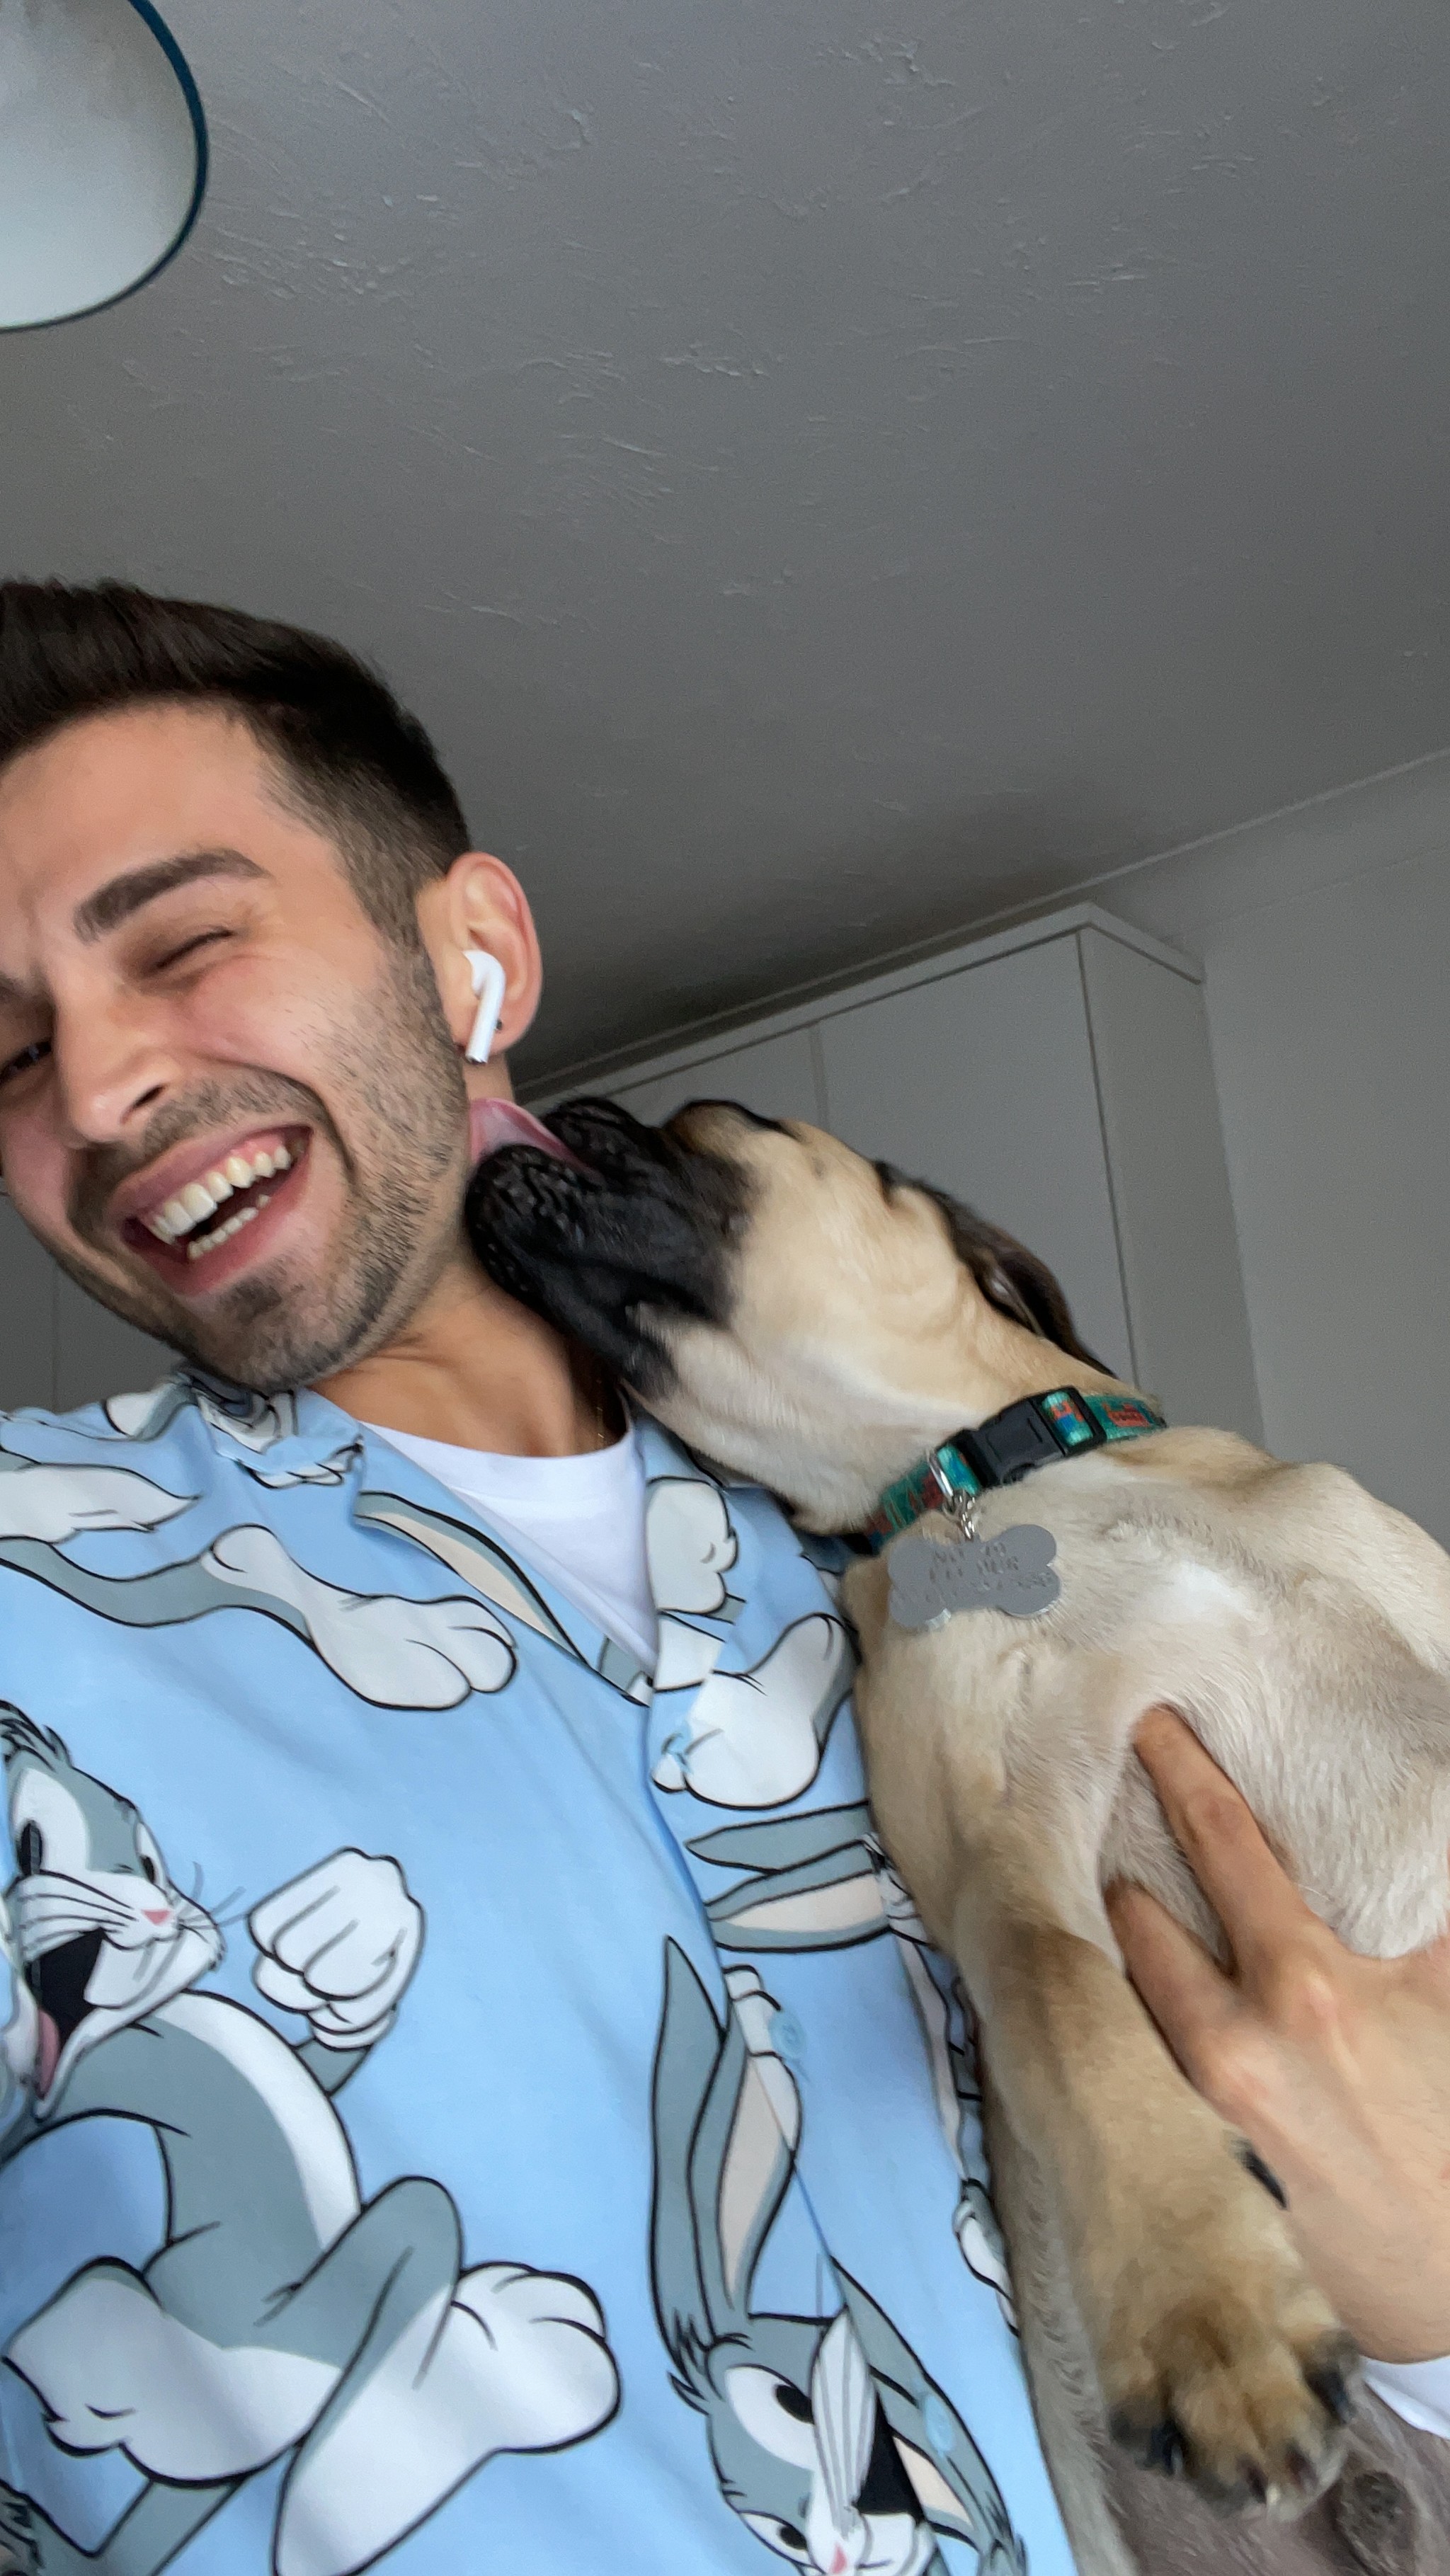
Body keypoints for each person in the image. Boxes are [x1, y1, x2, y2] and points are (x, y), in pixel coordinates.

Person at [0, 579, 1445, 2576]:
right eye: (4, 1050)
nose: (89, 1093)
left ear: (473, 954)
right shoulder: (31, 1595)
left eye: (183, 945)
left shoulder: (947, 1555)